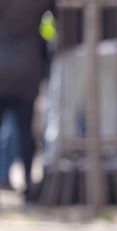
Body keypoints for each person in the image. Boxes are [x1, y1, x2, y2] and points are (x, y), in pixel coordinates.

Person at [0, 0, 55, 196]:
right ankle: (28, 182)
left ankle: (11, 178)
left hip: (4, 65)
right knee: (25, 131)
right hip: (27, 67)